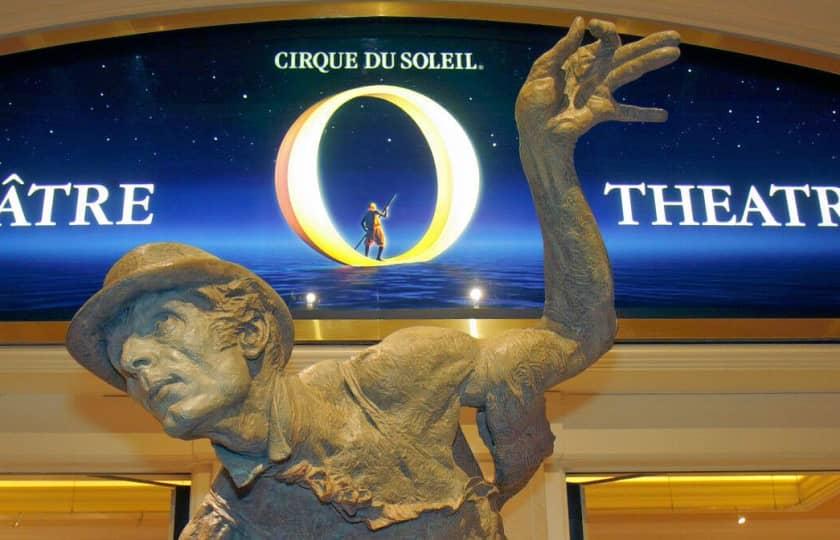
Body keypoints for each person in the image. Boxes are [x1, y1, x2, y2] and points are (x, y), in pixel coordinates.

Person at [66, 19, 679, 539]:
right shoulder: (229, 525)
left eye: (163, 325)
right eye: (123, 360)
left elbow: (575, 333)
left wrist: (546, 157)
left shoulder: (404, 378)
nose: (136, 362)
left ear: (251, 330)